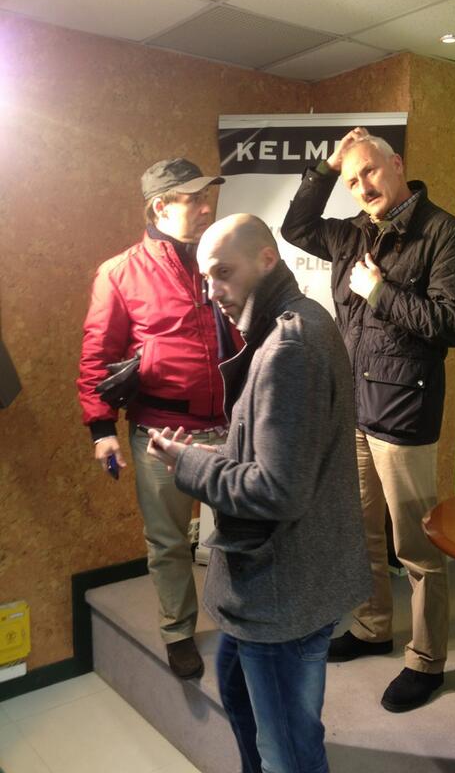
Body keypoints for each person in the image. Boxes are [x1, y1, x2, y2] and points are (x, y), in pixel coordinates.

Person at [146, 213, 371, 773]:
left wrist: (189, 465)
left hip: (282, 590)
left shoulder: (291, 345)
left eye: (224, 272)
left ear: (267, 260)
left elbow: (277, 490)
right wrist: (208, 454)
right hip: (277, 582)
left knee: (289, 753)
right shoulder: (294, 324)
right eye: (206, 278)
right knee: (241, 701)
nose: (212, 291)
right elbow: (276, 455)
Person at [281, 127, 455, 712]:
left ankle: (426, 661)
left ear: (396, 163)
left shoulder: (442, 233)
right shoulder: (350, 234)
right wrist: (326, 168)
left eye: (368, 171)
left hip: (403, 414)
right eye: (351, 181)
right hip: (353, 410)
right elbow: (295, 227)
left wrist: (380, 290)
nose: (362, 186)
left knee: (416, 546)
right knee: (362, 531)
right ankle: (373, 628)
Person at [77, 158, 241, 679]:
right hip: (161, 432)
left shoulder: (219, 259)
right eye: (194, 199)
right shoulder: (120, 272)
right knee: (170, 542)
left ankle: (242, 620)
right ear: (160, 207)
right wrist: (102, 430)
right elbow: (97, 356)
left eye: (206, 197)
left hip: (229, 427)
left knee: (242, 532)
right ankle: (178, 632)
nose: (207, 207)